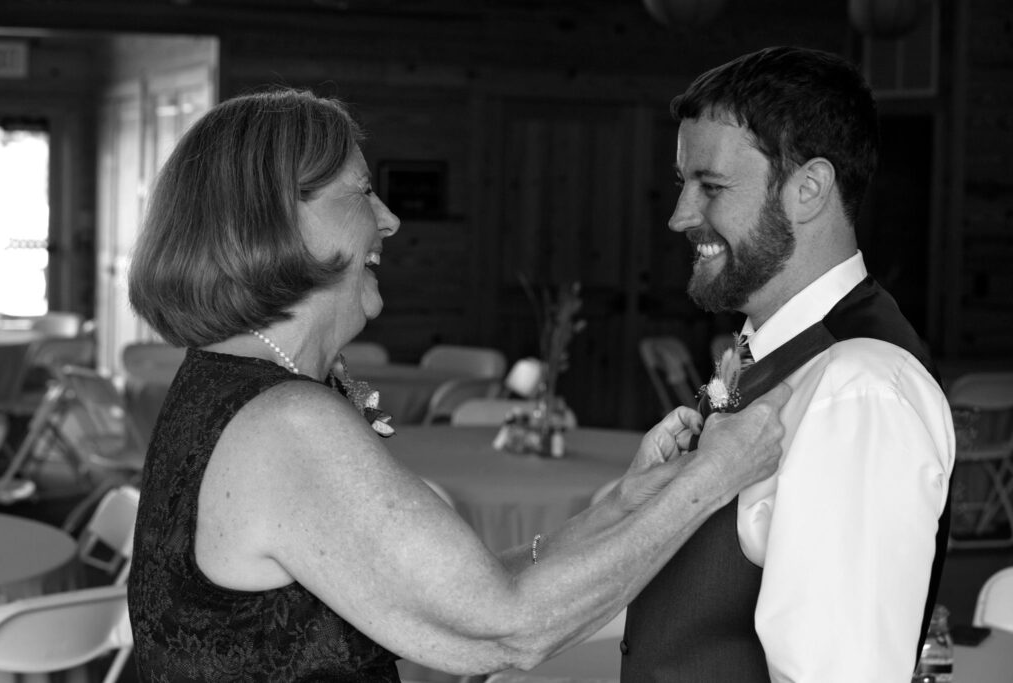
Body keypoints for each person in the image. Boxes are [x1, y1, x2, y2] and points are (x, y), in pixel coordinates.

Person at [125, 87, 790, 682]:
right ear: (282, 219)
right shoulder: (285, 422)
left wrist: (625, 503)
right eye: (362, 192)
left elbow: (455, 593)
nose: (389, 218)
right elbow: (507, 627)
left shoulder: (222, 382)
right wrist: (714, 477)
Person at [621, 46, 956, 682]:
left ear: (808, 189)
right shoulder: (768, 350)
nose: (679, 216)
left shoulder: (859, 390)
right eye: (681, 183)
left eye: (711, 186)